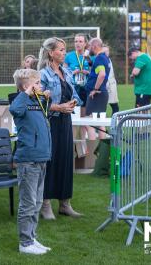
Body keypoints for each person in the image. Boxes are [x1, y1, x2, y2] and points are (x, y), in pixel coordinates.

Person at [38, 37, 83, 220]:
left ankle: (65, 204)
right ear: (51, 53)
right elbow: (39, 102)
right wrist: (58, 107)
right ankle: (45, 204)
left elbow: (74, 94)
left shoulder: (67, 71)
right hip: (50, 122)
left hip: (66, 121)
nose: (65, 53)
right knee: (50, 162)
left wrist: (73, 102)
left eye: (65, 50)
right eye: (61, 50)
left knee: (65, 161)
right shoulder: (42, 74)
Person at [10, 68, 52, 255]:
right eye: (37, 83)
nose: (41, 86)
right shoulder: (21, 101)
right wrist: (26, 93)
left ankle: (31, 238)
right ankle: (25, 243)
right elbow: (14, 109)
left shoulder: (36, 102)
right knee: (27, 204)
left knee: (36, 202)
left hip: (41, 158)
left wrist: (43, 97)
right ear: (27, 86)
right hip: (28, 161)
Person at [64, 33, 94, 138]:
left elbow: (94, 72)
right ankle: (72, 146)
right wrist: (73, 72)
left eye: (80, 41)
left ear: (85, 43)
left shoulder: (89, 57)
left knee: (85, 118)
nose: (78, 44)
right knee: (74, 120)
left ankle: (83, 147)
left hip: (85, 89)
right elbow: (64, 72)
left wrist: (87, 72)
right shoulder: (69, 56)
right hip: (73, 89)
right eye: (76, 41)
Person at [85, 38, 110, 140]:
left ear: (94, 46)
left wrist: (95, 89)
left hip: (97, 94)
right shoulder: (104, 57)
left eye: (89, 46)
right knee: (100, 123)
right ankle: (101, 151)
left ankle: (92, 151)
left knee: (89, 123)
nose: (88, 48)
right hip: (102, 93)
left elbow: (102, 74)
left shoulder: (100, 58)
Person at [103, 45, 119, 115]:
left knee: (115, 106)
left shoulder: (108, 59)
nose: (106, 52)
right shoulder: (100, 60)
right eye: (104, 51)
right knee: (101, 108)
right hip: (103, 86)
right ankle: (99, 125)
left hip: (111, 85)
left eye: (107, 51)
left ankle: (114, 124)